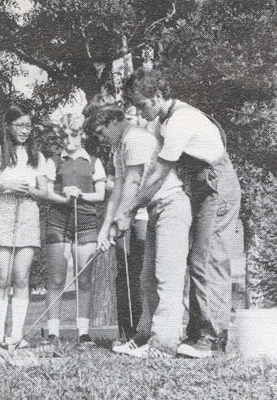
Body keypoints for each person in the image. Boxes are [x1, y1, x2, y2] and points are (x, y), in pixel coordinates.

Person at [116, 68, 241, 358]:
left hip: (216, 184)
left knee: (207, 261)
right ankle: (197, 333)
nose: (140, 112)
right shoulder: (163, 121)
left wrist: (130, 209)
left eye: (142, 105)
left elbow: (158, 175)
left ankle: (213, 338)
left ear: (158, 95)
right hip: (198, 185)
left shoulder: (180, 120)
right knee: (197, 260)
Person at [84, 95, 149, 340]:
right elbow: (119, 188)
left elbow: (134, 182)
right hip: (129, 214)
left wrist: (122, 218)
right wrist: (105, 228)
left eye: (101, 132)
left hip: (146, 214)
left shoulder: (135, 138)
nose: (100, 138)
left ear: (112, 121)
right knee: (125, 274)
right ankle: (128, 334)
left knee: (143, 274)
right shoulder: (118, 146)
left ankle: (146, 334)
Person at [0, 104, 48, 346]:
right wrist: (6, 185)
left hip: (28, 212)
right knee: (3, 275)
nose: (24, 130)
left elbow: (44, 192)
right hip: (2, 211)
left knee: (22, 276)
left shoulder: (37, 156)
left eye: (28, 126)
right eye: (19, 125)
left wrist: (30, 189)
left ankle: (16, 335)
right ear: (8, 126)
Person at [44, 113, 106, 346]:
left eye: (74, 135)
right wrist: (63, 196)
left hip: (86, 220)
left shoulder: (94, 161)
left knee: (84, 279)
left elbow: (100, 195)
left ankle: (83, 333)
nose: (69, 140)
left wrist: (80, 195)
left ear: (82, 135)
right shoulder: (53, 161)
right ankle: (53, 333)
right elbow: (46, 192)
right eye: (64, 136)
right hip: (58, 221)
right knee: (56, 278)